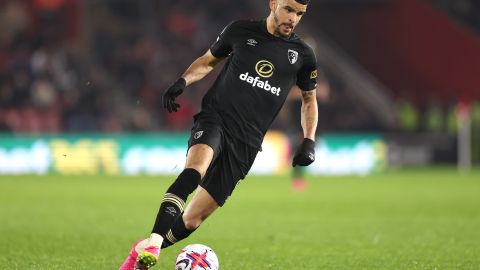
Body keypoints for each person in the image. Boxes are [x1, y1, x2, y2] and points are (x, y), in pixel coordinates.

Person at [120, 0, 318, 269]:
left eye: (299, 14)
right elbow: (208, 61)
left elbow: (309, 99)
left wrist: (308, 139)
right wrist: (182, 81)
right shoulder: (240, 31)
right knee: (195, 170)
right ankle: (154, 241)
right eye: (289, 9)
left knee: (192, 220)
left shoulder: (303, 55)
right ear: (273, 4)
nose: (293, 18)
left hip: (247, 142)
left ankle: (140, 250)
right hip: (216, 119)